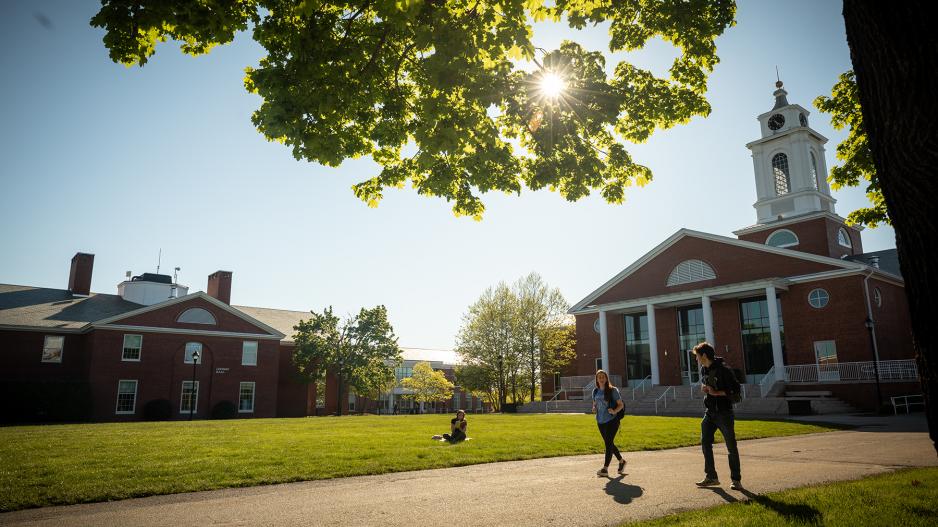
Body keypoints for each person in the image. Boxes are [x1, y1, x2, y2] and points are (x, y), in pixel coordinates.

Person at [693, 342, 743, 490]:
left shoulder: (725, 371)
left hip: (724, 413)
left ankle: (736, 480)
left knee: (731, 447)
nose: (696, 359)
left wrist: (717, 393)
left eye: (697, 356)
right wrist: (706, 389)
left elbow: (736, 392)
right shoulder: (704, 370)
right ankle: (711, 477)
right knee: (705, 442)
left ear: (704, 356)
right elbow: (708, 386)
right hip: (710, 413)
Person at [592, 369, 626, 476]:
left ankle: (605, 469)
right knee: (609, 443)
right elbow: (595, 404)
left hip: (612, 420)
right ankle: (621, 461)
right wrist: (594, 408)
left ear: (606, 378)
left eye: (603, 377)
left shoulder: (613, 390)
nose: (601, 379)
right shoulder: (595, 391)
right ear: (597, 379)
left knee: (608, 443)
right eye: (599, 377)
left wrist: (614, 411)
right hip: (600, 421)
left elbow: (621, 405)